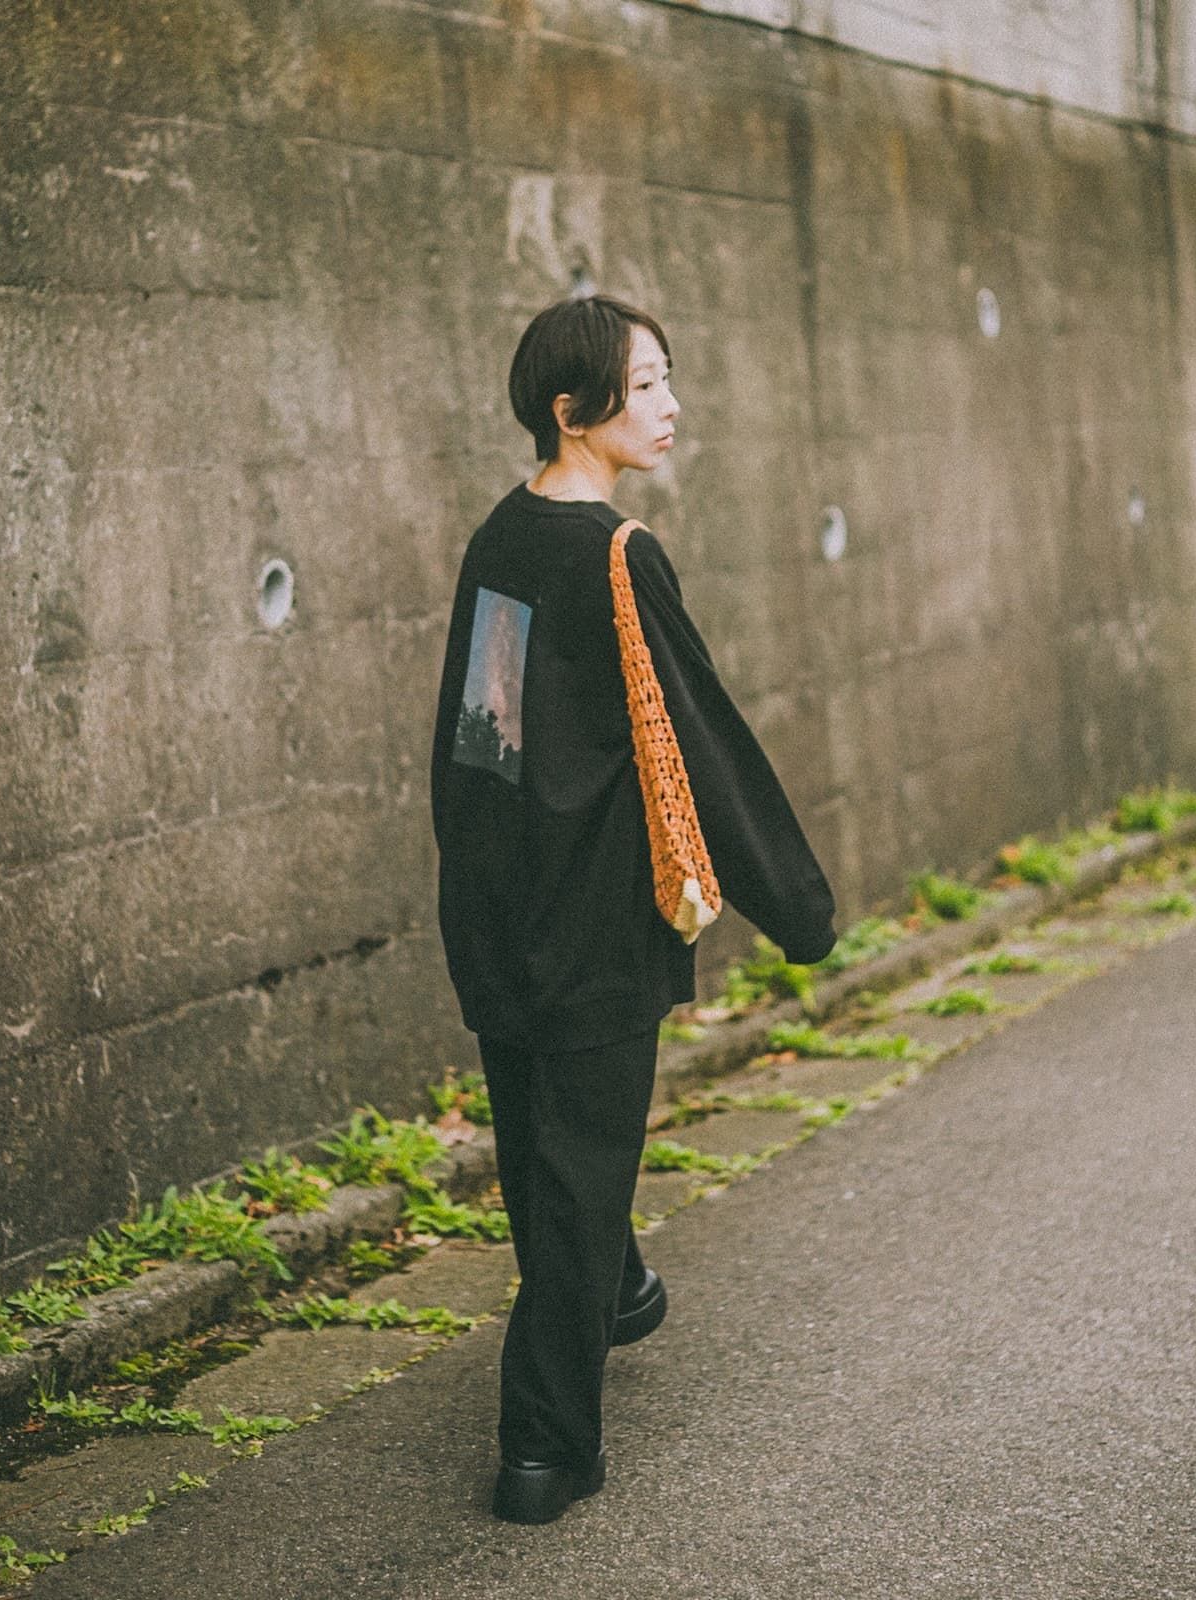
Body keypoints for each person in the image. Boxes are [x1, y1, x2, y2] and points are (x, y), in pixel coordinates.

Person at [429, 294, 837, 1524]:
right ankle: (542, 1448)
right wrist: (798, 907)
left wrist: (477, 901)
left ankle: (615, 1291)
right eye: (645, 384)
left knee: (544, 1154)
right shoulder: (617, 553)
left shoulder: (503, 537)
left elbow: (483, 735)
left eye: (665, 379)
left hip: (504, 908)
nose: (670, 406)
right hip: (598, 918)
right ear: (574, 410)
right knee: (576, 1180)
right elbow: (703, 738)